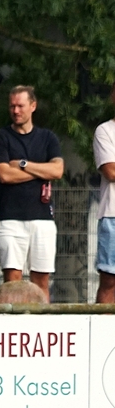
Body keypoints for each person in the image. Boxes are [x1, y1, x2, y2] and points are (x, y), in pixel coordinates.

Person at [0, 86, 64, 301]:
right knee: (12, 281)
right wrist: (41, 171)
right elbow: (4, 175)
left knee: (41, 281)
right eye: (12, 106)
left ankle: (41, 321)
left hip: (43, 219)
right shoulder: (1, 137)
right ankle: (13, 321)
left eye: (20, 106)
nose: (16, 110)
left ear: (33, 106)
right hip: (10, 220)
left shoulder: (48, 138)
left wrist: (23, 164)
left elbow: (57, 171)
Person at [93, 85, 115, 303]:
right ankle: (103, 324)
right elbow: (111, 171)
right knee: (110, 281)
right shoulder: (105, 131)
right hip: (112, 215)